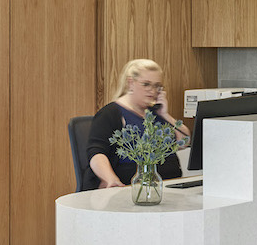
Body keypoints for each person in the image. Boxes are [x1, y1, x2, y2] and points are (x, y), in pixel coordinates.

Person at [82, 59, 191, 190]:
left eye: (157, 86)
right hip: (131, 189)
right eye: (146, 84)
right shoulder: (110, 113)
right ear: (130, 83)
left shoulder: (156, 113)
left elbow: (185, 141)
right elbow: (97, 154)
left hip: (168, 187)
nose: (152, 91)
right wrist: (112, 180)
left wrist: (166, 115)